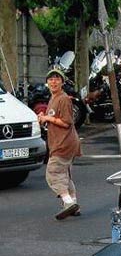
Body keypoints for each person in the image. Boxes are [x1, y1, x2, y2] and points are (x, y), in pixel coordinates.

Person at [38, 69, 81, 220]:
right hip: (64, 142)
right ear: (47, 82)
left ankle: (68, 202)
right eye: (51, 79)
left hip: (64, 143)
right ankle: (73, 204)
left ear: (62, 82)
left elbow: (67, 122)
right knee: (64, 174)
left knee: (53, 173)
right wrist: (44, 117)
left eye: (57, 79)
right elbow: (53, 117)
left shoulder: (63, 99)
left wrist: (48, 119)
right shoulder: (53, 98)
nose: (53, 82)